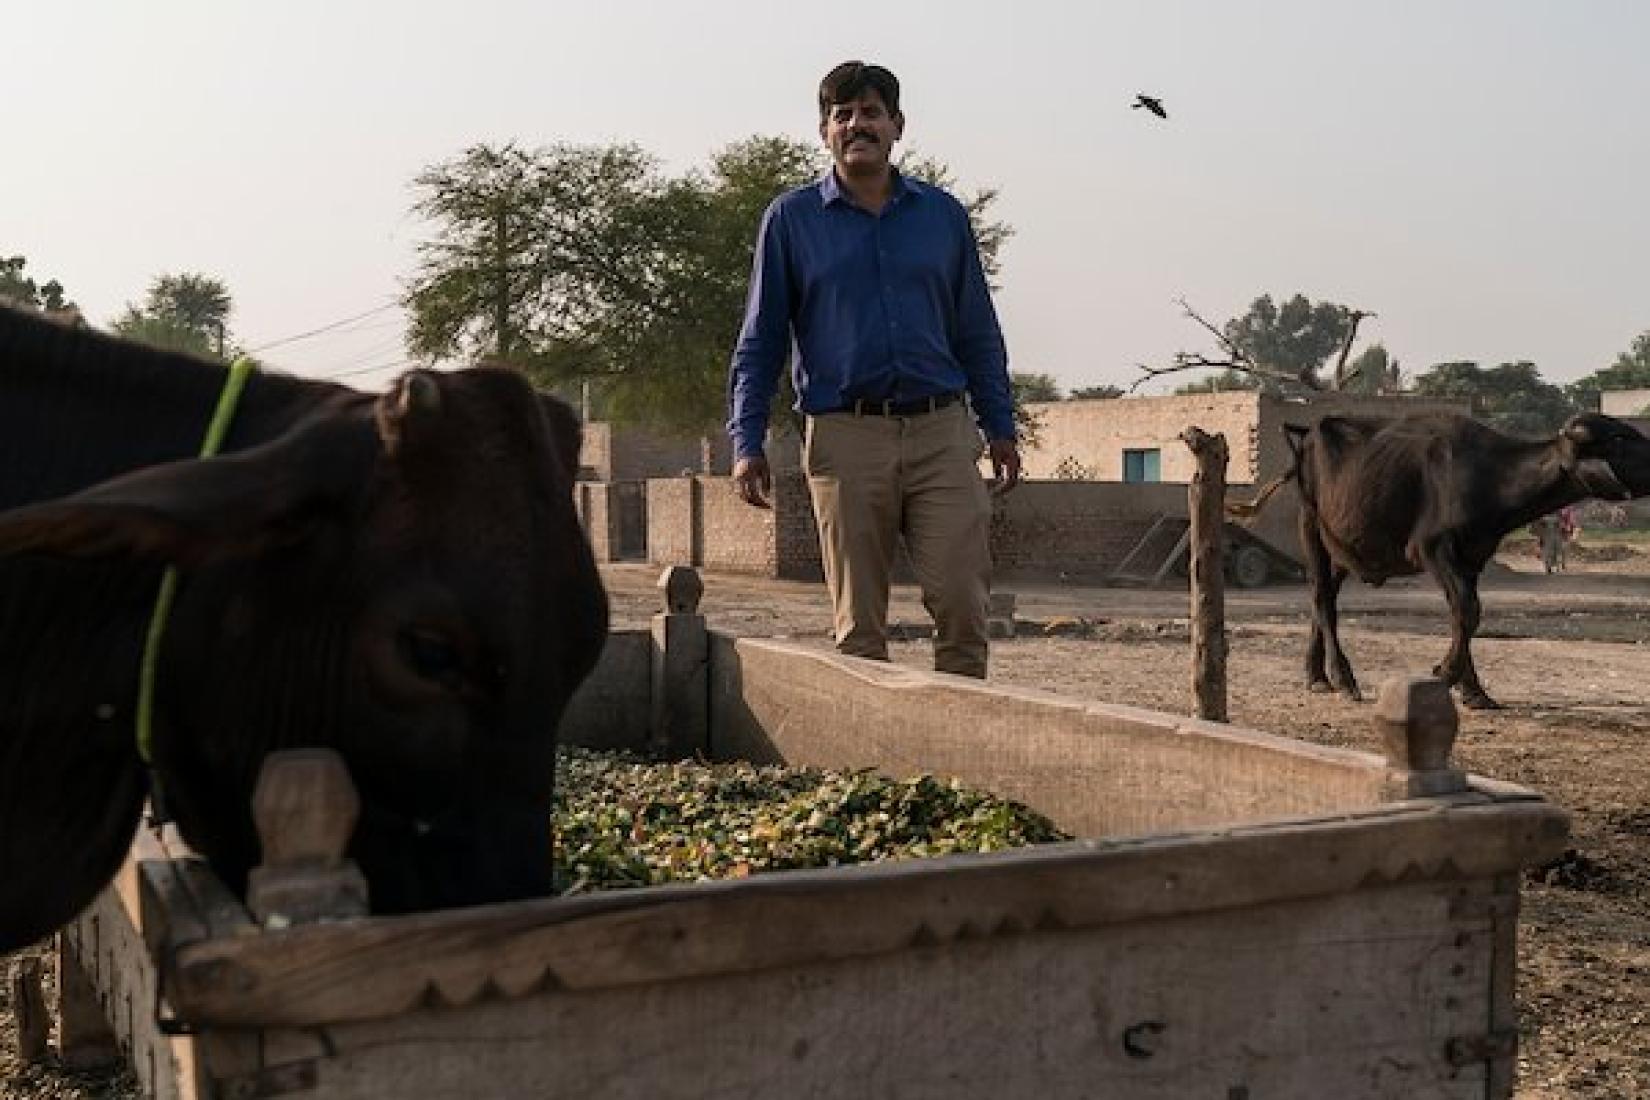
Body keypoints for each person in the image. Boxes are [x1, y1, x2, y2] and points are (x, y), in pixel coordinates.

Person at [726, 60, 1021, 679]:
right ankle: (878, 773)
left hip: (942, 432)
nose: (858, 125)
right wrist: (745, 441)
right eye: (843, 115)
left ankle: (956, 760)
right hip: (844, 434)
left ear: (897, 126)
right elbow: (760, 340)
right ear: (824, 132)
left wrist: (1000, 424)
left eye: (871, 113)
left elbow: (976, 331)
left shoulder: (942, 217)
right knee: (860, 627)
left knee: (965, 607)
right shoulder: (791, 220)